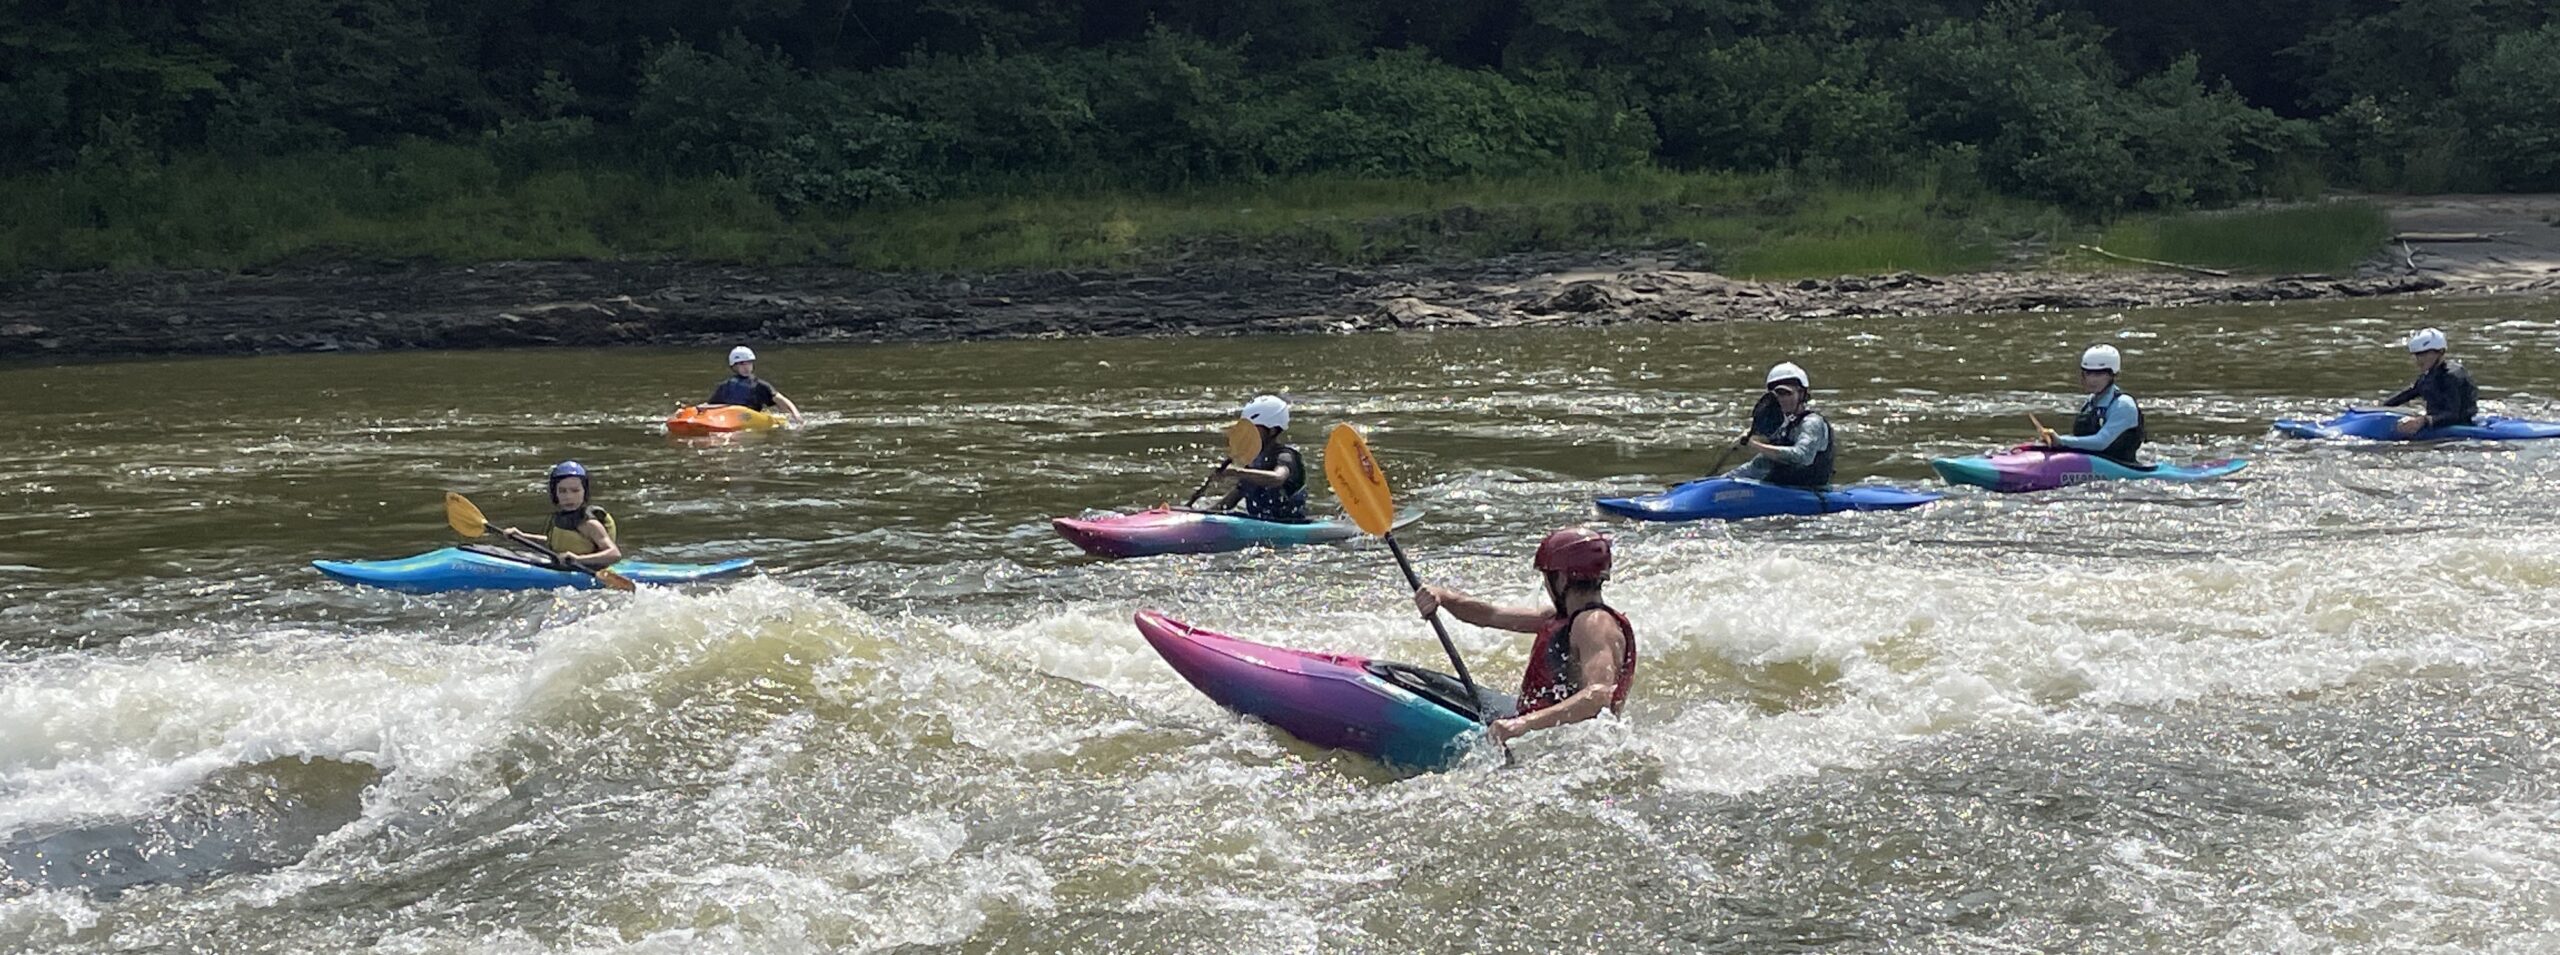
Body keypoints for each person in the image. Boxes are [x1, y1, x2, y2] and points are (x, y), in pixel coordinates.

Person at [1413, 527, 1636, 743]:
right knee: (1423, 682)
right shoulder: (1560, 617)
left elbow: (1599, 696)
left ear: (1561, 579)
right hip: (1531, 723)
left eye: (1546, 576)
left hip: (1558, 742)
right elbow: (1490, 615)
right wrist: (1442, 596)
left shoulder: (1595, 624)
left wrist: (1523, 725)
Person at [1726, 362, 1833, 489]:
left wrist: (1755, 445)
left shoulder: (1812, 423)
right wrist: (1722, 481)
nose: (1781, 399)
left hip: (1810, 492)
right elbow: (1759, 465)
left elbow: (1802, 456)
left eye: (1786, 393)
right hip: (1783, 490)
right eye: (1776, 395)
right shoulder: (1784, 427)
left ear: (1802, 394)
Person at [2031, 344, 2144, 465]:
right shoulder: (2090, 402)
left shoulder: (2123, 405)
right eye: (2088, 373)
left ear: (2112, 375)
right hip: (2089, 461)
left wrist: (2062, 441)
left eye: (2099, 374)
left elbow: (2100, 442)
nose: (2092, 380)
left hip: (2122, 466)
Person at [501, 461, 623, 570]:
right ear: (555, 494)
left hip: (583, 570)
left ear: (584, 492)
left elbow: (614, 554)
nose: (568, 497)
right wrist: (521, 536)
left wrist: (578, 559)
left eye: (575, 491)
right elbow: (552, 543)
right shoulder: (560, 518)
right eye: (562, 491)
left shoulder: (589, 524)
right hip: (563, 566)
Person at [1211, 395, 1309, 523]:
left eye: (1252, 429)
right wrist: (1204, 514)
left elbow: (1277, 478)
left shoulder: (1286, 456)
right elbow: (1231, 500)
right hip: (1260, 522)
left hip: (1288, 524)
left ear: (1272, 431)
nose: (1246, 434)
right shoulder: (1254, 461)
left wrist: (1236, 472)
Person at [2381, 327, 2478, 436]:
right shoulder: (2428, 377)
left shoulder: (2452, 376)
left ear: (2440, 352)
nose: (2419, 360)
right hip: (2436, 422)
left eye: (2424, 354)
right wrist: (2381, 408)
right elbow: (2406, 395)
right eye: (2417, 355)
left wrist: (2422, 421)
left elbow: (2453, 415)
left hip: (2460, 426)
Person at [705, 346, 804, 424]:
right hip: (731, 417)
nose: (746, 367)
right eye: (742, 364)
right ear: (734, 366)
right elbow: (710, 405)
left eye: (749, 363)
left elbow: (782, 400)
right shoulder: (725, 386)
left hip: (751, 418)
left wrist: (796, 415)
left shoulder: (760, 385)